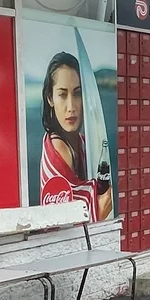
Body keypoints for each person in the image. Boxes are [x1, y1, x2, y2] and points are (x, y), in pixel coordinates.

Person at [38, 50, 112, 220]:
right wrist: (98, 207)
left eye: (77, 93)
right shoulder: (58, 147)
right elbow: (61, 218)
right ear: (50, 98)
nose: (71, 106)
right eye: (62, 95)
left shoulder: (81, 141)